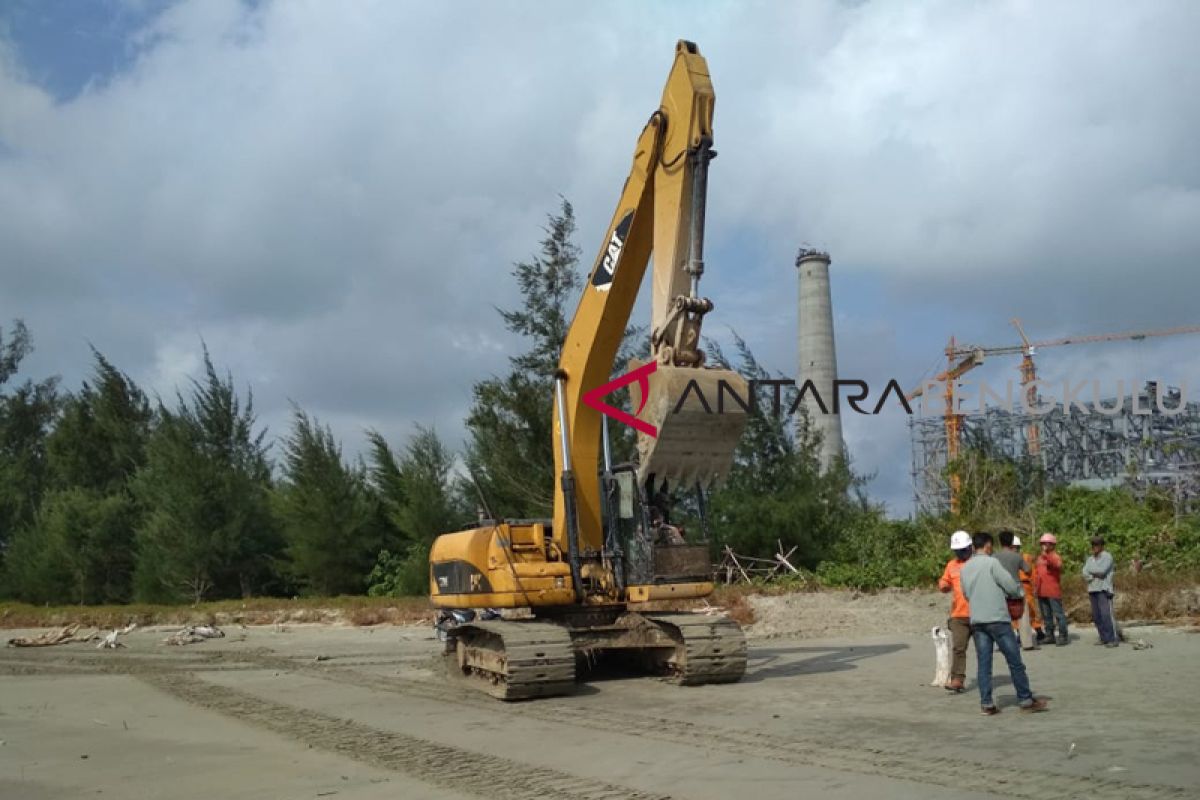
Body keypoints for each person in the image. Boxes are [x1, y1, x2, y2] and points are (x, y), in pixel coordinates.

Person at [959, 531, 1049, 715]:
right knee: (1014, 661)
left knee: (984, 663)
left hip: (977, 620)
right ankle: (1025, 699)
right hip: (997, 618)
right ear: (987, 545)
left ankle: (986, 704)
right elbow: (1009, 584)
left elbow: (966, 593)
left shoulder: (965, 568)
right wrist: (1019, 594)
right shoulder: (992, 563)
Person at [937, 530, 973, 693]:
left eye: (963, 550)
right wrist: (943, 585)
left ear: (971, 547)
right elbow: (944, 581)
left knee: (983, 649)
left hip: (980, 614)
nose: (961, 553)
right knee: (958, 648)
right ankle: (957, 679)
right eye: (957, 551)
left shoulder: (979, 563)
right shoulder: (951, 565)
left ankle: (986, 678)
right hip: (959, 614)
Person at [996, 531, 1036, 650]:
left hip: (1001, 589)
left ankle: (1002, 644)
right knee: (1023, 615)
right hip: (1016, 589)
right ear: (1012, 542)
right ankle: (1027, 643)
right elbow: (1028, 570)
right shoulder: (1017, 556)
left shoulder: (994, 557)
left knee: (1002, 617)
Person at [1083, 535, 1118, 647]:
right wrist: (1092, 574)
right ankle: (1103, 637)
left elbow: (1102, 571)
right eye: (1093, 544)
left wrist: (1091, 572)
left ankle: (1112, 638)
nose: (1094, 547)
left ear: (1102, 545)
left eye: (1097, 544)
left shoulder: (1107, 557)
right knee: (1097, 615)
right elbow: (1084, 572)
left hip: (1104, 589)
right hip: (1092, 589)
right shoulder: (1090, 559)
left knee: (1106, 614)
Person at [1035, 533, 1069, 646]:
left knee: (1058, 614)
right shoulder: (1039, 558)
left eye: (1046, 544)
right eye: (1043, 544)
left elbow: (1057, 565)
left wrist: (1046, 555)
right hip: (1041, 591)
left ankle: (1063, 636)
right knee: (1046, 615)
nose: (1044, 546)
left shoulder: (1055, 556)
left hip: (1053, 591)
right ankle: (1049, 635)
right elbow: (1037, 573)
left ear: (1052, 545)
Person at [1016, 536, 1046, 643]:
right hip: (1014, 585)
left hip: (1025, 585)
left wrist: (1034, 586)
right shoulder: (1013, 557)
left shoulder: (1026, 557)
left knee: (1031, 609)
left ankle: (1039, 631)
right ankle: (1020, 633)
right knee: (1016, 610)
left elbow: (1032, 572)